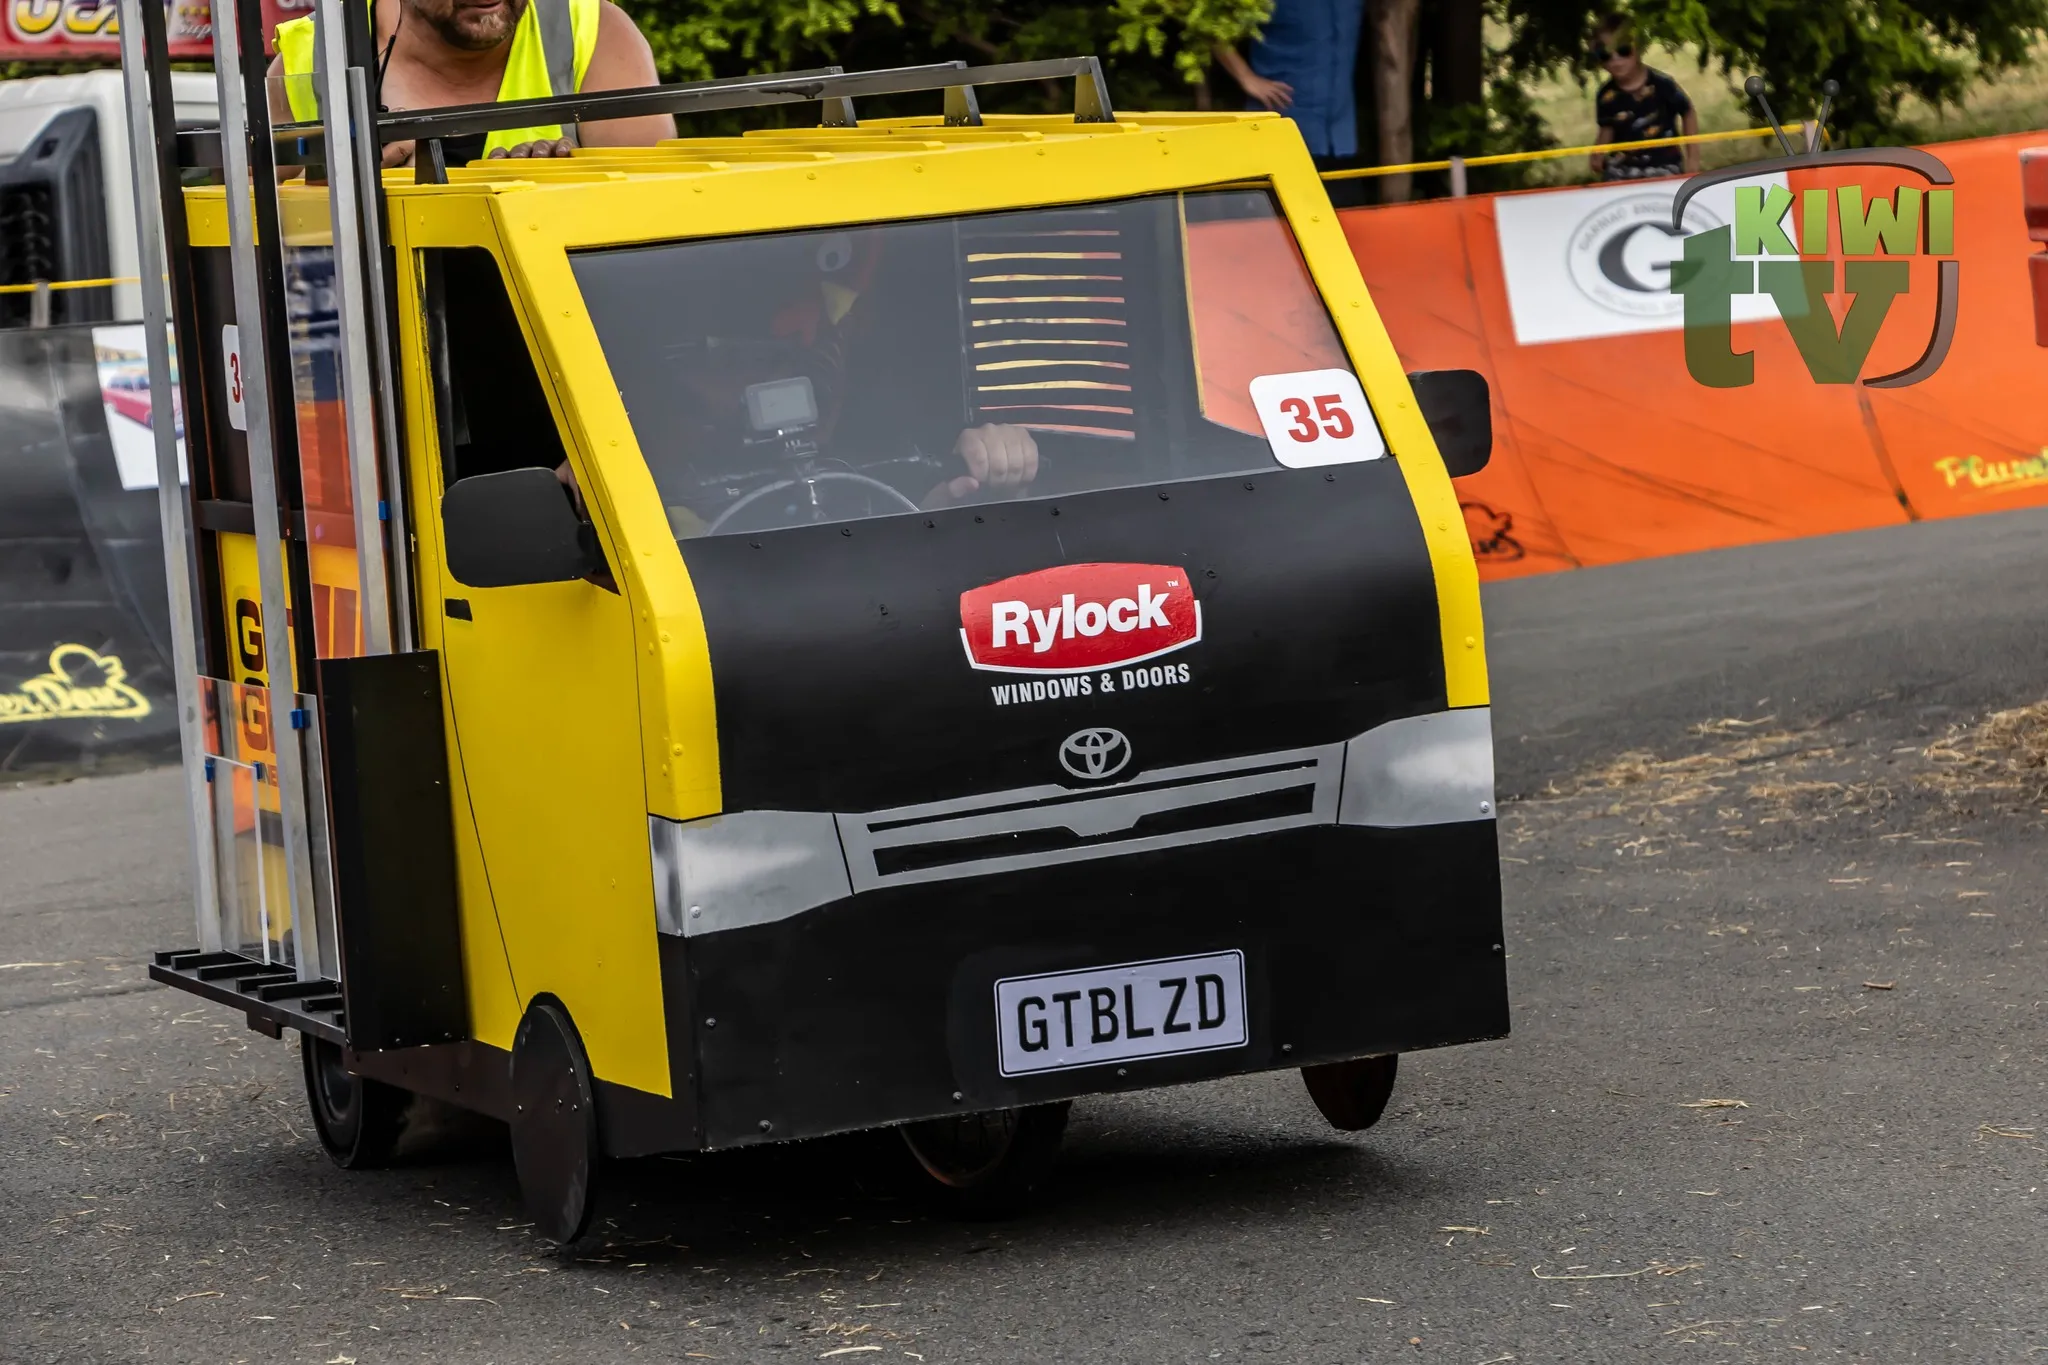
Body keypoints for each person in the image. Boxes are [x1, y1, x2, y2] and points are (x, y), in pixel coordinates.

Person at [269, 0, 676, 167]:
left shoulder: (595, 32)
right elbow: (252, 251)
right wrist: (343, 197)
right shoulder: (308, 59)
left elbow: (659, 219)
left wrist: (562, 195)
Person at [1212, 0, 1364, 174]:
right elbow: (1212, 24)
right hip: (1279, 131)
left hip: (1340, 139)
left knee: (1346, 199)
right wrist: (1246, 77)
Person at [1588, 14, 1699, 181]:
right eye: (1605, 54)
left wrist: (1693, 160)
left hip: (1664, 165)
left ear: (1638, 48)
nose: (1616, 60)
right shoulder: (1605, 95)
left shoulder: (1663, 85)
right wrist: (1598, 152)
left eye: (1623, 50)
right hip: (1622, 168)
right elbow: (1607, 127)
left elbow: (1688, 112)